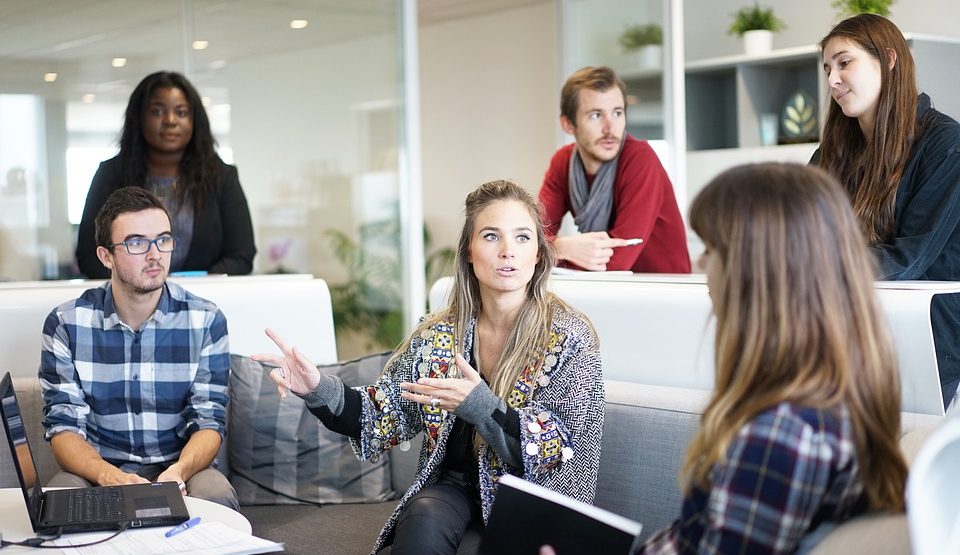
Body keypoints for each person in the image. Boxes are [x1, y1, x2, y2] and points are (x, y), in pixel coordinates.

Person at [257, 179, 604, 555]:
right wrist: (316, 388)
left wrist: (481, 405)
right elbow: (382, 413)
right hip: (454, 489)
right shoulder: (439, 334)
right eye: (491, 236)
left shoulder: (569, 336)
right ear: (468, 252)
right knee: (422, 516)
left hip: (533, 498)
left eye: (522, 238)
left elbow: (556, 447)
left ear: (538, 253)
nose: (508, 251)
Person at [630, 163, 906, 553]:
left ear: (756, 272)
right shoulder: (835, 397)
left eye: (711, 249)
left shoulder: (781, 435)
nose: (701, 265)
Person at [41, 187, 238, 510]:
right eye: (136, 242)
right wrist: (110, 476)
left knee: (215, 496)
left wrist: (178, 472)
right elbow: (63, 428)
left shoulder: (206, 320)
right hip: (98, 469)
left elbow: (209, 422)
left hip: (180, 467)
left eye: (163, 239)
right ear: (106, 256)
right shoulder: (66, 323)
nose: (155, 254)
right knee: (58, 500)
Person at [812, 13, 960, 408]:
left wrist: (812, 266)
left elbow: (908, 259)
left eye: (845, 62)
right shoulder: (831, 153)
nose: (832, 80)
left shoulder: (946, 145)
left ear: (889, 60)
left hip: (930, 336)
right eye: (828, 68)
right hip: (852, 324)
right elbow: (799, 232)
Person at [76, 70, 256, 278]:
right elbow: (89, 257)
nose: (170, 121)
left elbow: (241, 256)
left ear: (195, 121)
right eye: (157, 112)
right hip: (130, 304)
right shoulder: (111, 175)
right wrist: (142, 287)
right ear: (139, 118)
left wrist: (190, 291)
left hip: (204, 302)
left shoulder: (222, 177)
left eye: (181, 112)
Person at [538, 66, 690, 273]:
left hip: (662, 293)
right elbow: (531, 238)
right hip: (607, 291)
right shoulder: (563, 162)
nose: (610, 128)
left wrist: (551, 250)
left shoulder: (640, 159)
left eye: (617, 113)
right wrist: (561, 247)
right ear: (568, 124)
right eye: (595, 115)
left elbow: (617, 262)